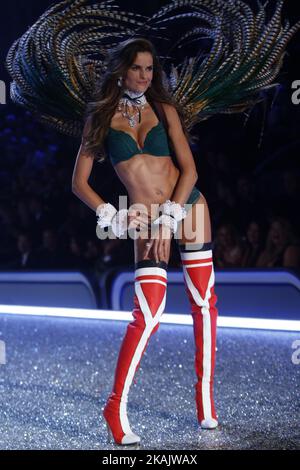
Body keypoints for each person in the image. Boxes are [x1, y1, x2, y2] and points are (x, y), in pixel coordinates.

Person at [72, 38, 219, 445]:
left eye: (151, 69)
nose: (145, 76)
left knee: (203, 301)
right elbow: (79, 184)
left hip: (187, 206)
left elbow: (188, 170)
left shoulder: (165, 110)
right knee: (149, 314)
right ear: (121, 70)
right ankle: (115, 406)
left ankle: (205, 399)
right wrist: (114, 216)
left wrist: (170, 217)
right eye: (138, 68)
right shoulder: (99, 117)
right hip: (144, 218)